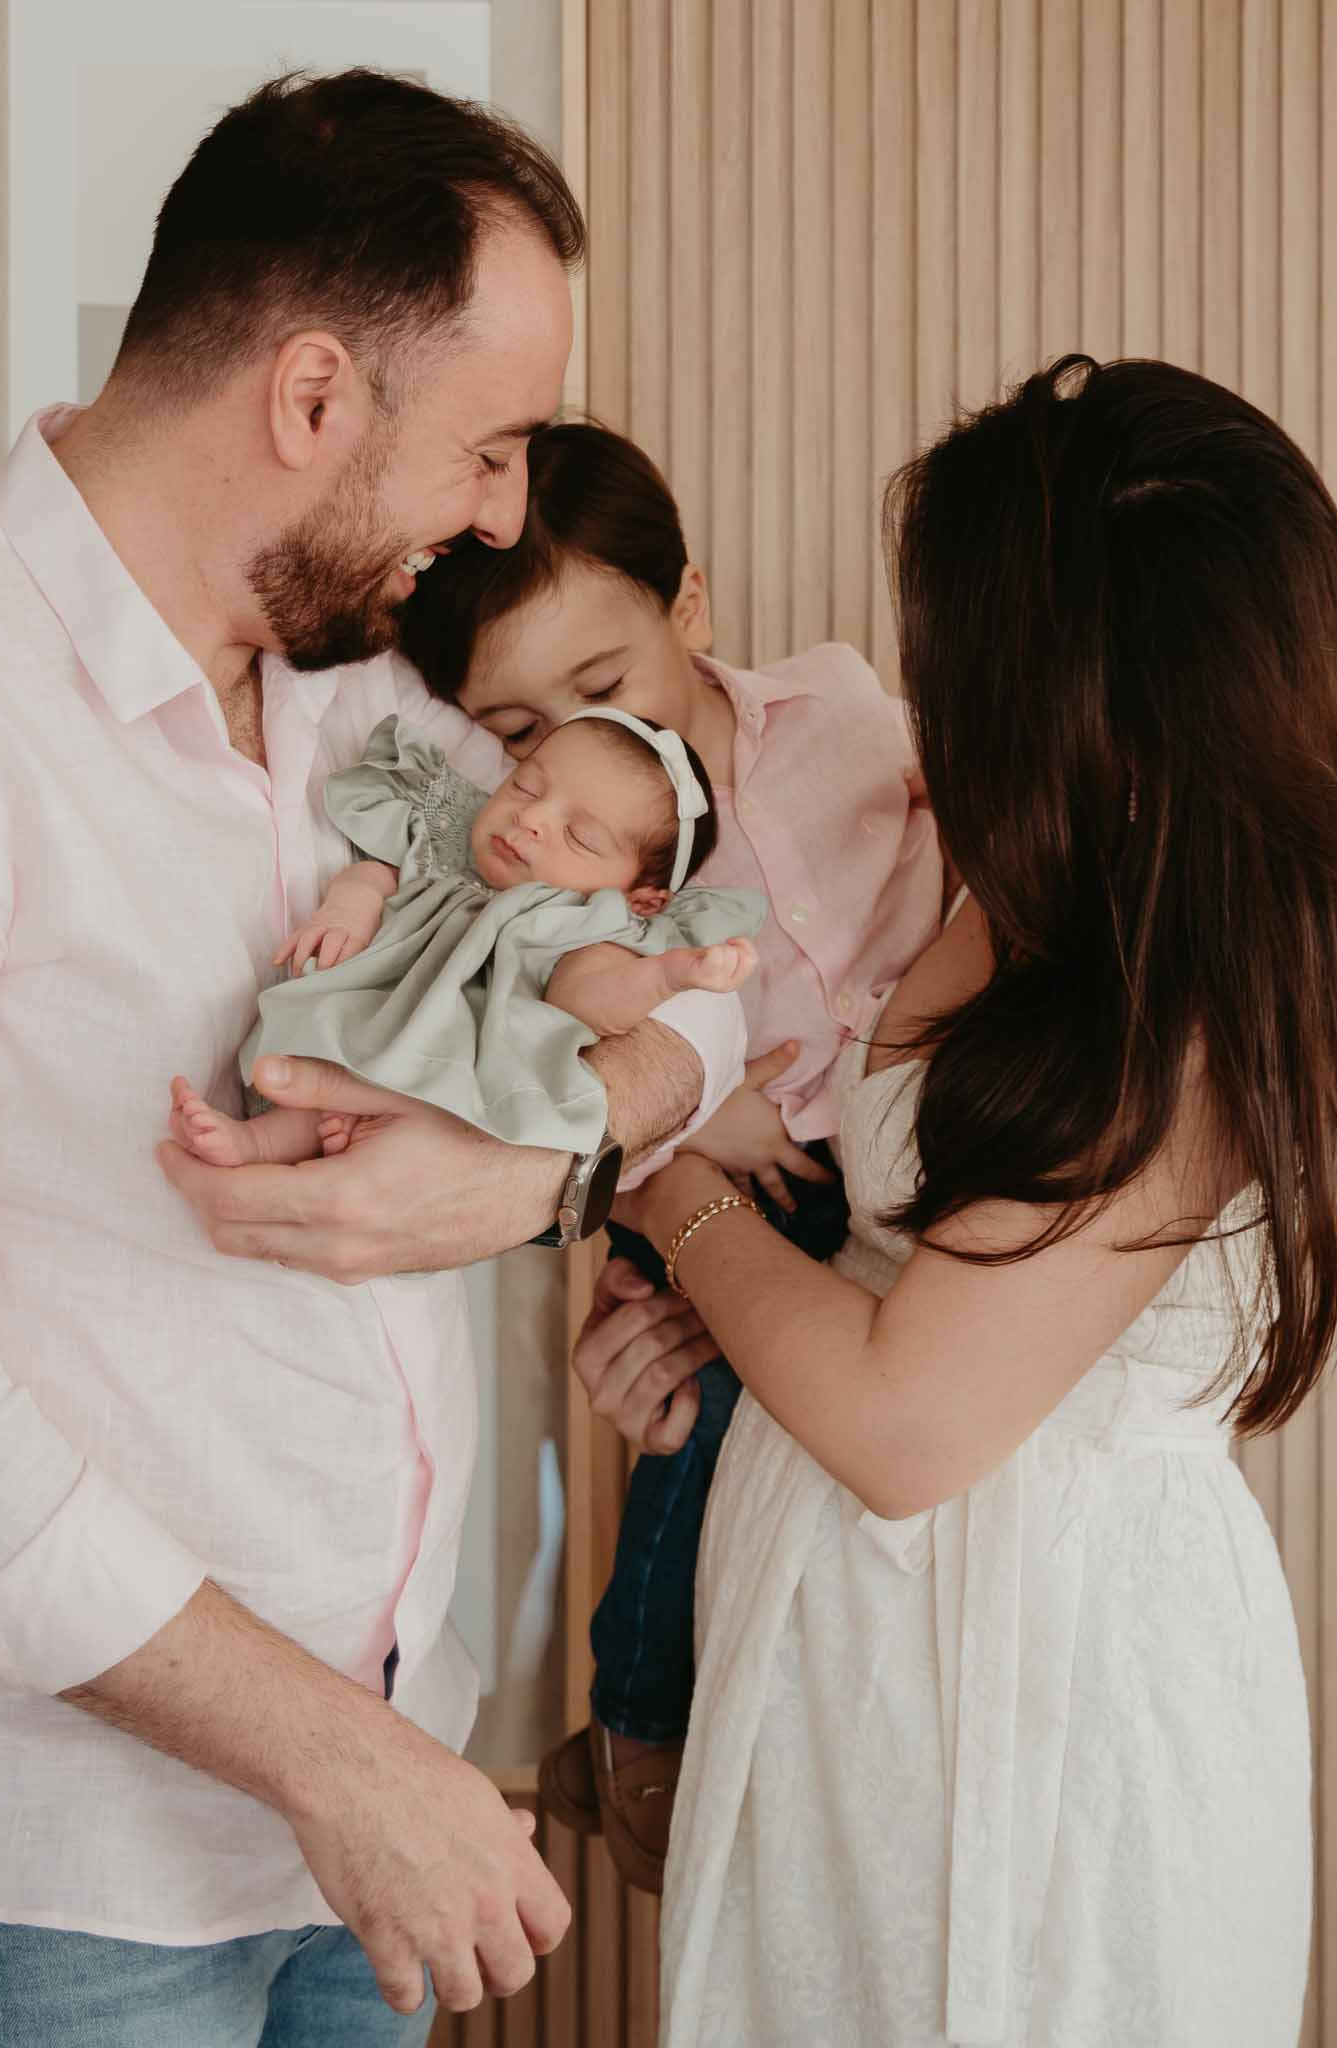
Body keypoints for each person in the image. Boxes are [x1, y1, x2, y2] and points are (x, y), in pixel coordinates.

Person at [0, 70, 745, 2048]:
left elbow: (696, 967)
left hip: (370, 1830)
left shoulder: (366, 692)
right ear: (309, 396)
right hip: (75, 1890)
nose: (507, 514)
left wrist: (554, 1155)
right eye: (490, 445)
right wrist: (338, 1761)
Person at [572, 356, 1337, 2044]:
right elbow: (867, 1251)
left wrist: (670, 1185)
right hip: (851, 1640)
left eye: (958, 659)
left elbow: (905, 1418)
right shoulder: (1011, 869)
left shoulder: (1190, 1003)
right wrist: (692, 1337)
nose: (926, 696)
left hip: (1052, 1673)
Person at [398, 420, 945, 1889]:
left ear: (688, 609)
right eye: (517, 732)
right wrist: (700, 1121)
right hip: (738, 1175)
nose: (574, 749)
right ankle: (638, 1720)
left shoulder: (835, 704)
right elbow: (553, 1071)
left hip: (898, 1149)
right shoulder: (562, 860)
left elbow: (953, 808)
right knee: (695, 1425)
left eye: (605, 685)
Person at [171, 710, 760, 1169]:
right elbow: (380, 869)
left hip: (450, 1063)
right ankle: (263, 1138)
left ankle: (263, 1145)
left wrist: (666, 976)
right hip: (366, 1014)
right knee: (325, 1061)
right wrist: (351, 904)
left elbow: (585, 1000)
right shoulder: (449, 833)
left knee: (391, 1098)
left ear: (641, 899)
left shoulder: (588, 923)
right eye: (526, 787)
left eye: (579, 836)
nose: (532, 819)